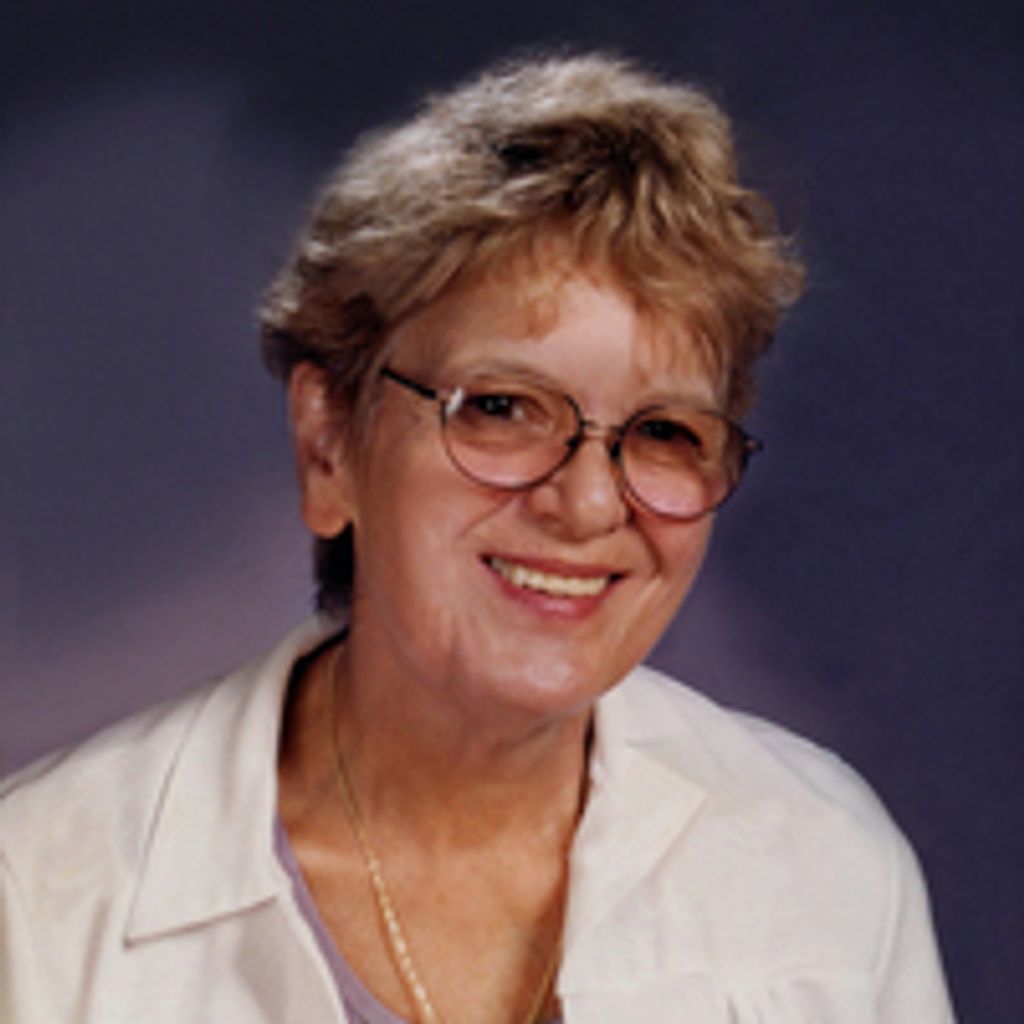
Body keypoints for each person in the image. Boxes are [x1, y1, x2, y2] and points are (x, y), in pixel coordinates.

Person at [1, 52, 954, 1022]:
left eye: (664, 431)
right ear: (330, 445)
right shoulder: (36, 901)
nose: (587, 504)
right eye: (501, 407)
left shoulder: (826, 865)